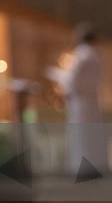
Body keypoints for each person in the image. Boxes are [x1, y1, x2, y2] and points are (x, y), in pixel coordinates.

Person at [46, 22, 108, 176]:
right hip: (92, 100)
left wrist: (55, 73)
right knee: (94, 134)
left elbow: (71, 79)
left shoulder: (81, 55)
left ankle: (84, 169)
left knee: (82, 135)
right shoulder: (96, 55)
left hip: (80, 102)